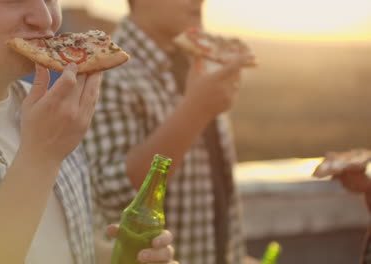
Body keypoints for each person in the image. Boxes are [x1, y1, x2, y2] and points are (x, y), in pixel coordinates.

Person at [0, 1, 177, 264]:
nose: (45, 19)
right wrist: (41, 157)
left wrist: (119, 256)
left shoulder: (51, 109)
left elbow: (57, 242)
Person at [83, 0, 256, 264]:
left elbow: (216, 185)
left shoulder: (198, 62)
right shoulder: (109, 69)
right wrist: (195, 111)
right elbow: (112, 195)